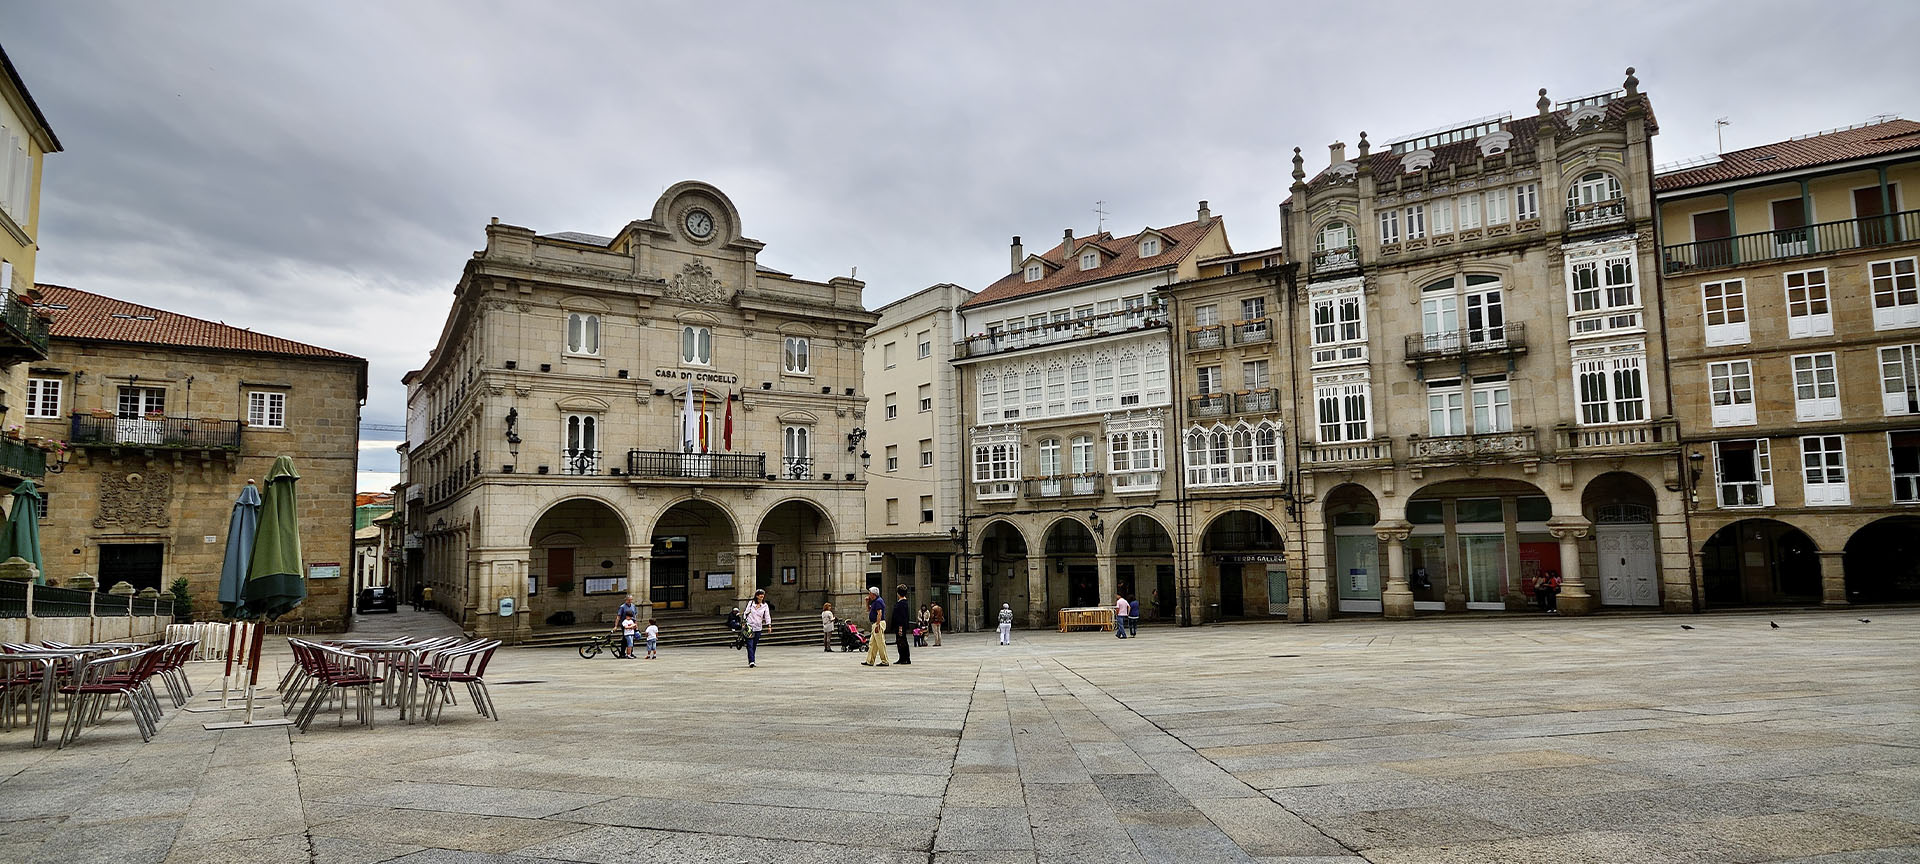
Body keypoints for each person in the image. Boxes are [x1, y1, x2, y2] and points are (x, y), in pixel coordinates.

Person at [743, 589, 772, 668]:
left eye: (763, 594)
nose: (762, 596)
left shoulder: (765, 605)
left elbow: (767, 616)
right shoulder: (751, 603)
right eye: (760, 594)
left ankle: (752, 659)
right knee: (750, 644)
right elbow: (745, 613)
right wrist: (744, 623)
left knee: (754, 644)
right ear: (756, 596)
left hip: (758, 627)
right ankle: (751, 661)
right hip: (749, 627)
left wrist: (769, 625)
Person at [863, 586, 890, 666]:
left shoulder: (878, 601)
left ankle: (885, 660)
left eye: (869, 593)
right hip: (875, 623)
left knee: (880, 643)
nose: (868, 595)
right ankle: (870, 660)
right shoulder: (874, 601)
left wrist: (878, 625)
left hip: (878, 623)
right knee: (872, 643)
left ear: (873, 594)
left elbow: (879, 613)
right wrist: (867, 602)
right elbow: (868, 610)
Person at [890, 585, 913, 665]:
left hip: (900, 625)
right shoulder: (902, 602)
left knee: (902, 641)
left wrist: (900, 627)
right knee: (900, 641)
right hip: (899, 625)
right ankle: (902, 657)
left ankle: (905, 658)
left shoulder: (902, 603)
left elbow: (902, 616)